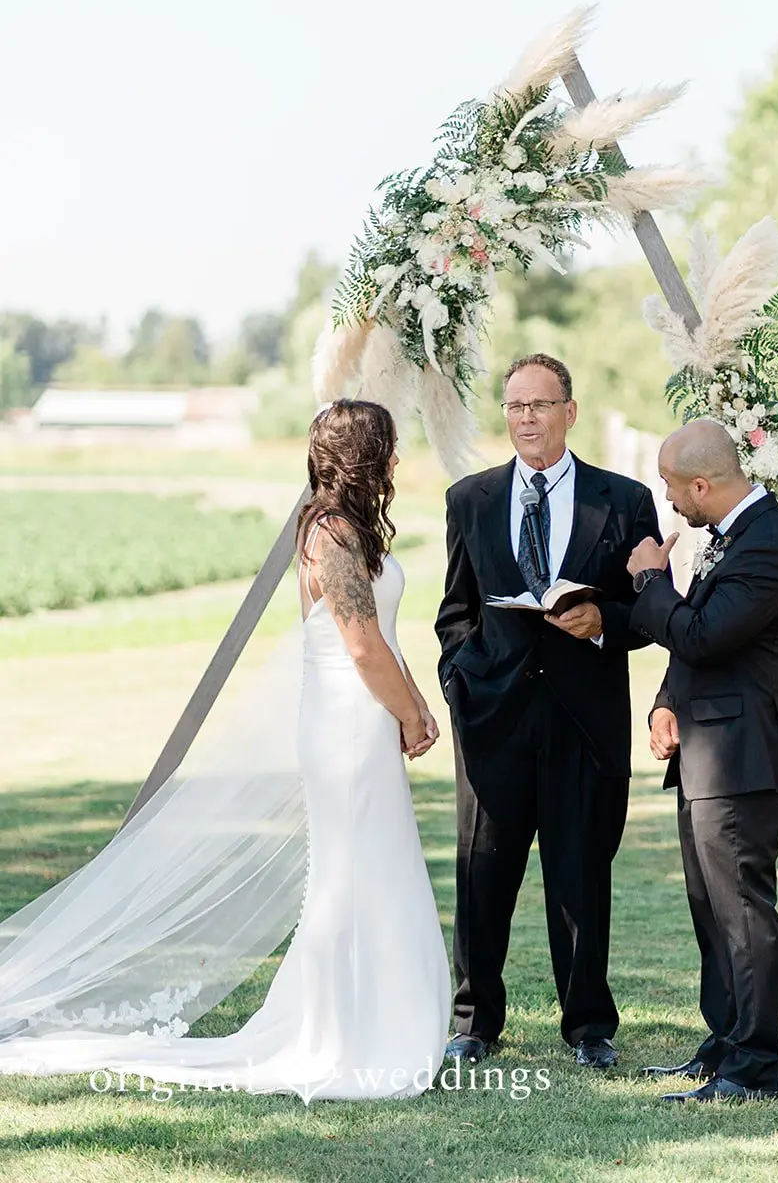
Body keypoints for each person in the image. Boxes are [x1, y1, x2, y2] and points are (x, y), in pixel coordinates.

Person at [0, 400, 451, 1102]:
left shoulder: (354, 531)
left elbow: (385, 637)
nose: (397, 460)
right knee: (350, 871)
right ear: (367, 457)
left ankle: (375, 1017)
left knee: (375, 864)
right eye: (388, 448)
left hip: (368, 715)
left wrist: (416, 705)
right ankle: (342, 1033)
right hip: (343, 724)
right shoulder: (328, 534)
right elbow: (359, 644)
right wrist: (407, 712)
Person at [435, 353, 663, 1069]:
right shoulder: (468, 498)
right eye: (513, 406)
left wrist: (602, 621)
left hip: (582, 720)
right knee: (482, 875)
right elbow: (455, 611)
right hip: (492, 719)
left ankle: (588, 1027)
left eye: (539, 404)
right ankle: (474, 1022)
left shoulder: (622, 500)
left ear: (569, 410)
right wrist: (461, 681)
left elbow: (648, 608)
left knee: (580, 874)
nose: (526, 418)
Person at [626, 418, 778, 1103]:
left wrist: (650, 581)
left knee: (742, 915)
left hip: (742, 761)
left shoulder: (769, 546)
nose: (670, 501)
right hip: (707, 754)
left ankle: (754, 1069)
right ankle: (723, 1045)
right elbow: (699, 650)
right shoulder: (730, 537)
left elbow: (702, 634)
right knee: (710, 911)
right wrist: (665, 701)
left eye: (674, 487)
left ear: (702, 483)